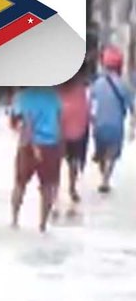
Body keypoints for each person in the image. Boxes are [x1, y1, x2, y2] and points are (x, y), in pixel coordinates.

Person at [10, 84, 64, 232]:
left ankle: (14, 221)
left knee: (20, 184)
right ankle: (43, 225)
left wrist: (32, 145)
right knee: (47, 187)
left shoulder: (22, 97)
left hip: (28, 145)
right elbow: (59, 123)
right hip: (51, 145)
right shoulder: (54, 96)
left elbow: (19, 123)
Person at [90, 46, 133, 194]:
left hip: (99, 124)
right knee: (112, 154)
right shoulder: (124, 85)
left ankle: (103, 175)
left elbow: (91, 102)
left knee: (101, 153)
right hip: (116, 125)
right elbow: (131, 105)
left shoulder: (97, 83)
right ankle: (106, 179)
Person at [58, 66, 91, 211]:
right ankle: (71, 189)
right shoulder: (81, 89)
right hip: (77, 131)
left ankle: (55, 189)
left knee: (58, 162)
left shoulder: (57, 90)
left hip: (59, 131)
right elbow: (86, 110)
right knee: (73, 163)